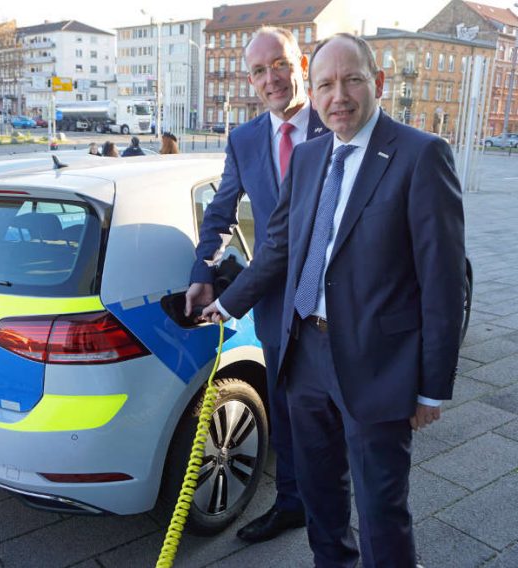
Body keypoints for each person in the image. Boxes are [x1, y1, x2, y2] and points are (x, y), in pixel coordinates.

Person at [202, 33, 465, 567]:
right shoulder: (309, 157)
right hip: (305, 359)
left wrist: (432, 388)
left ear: (379, 83)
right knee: (322, 500)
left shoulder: (420, 155)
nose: (337, 95)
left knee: (381, 509)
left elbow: (445, 282)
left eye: (352, 80)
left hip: (377, 365)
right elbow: (277, 248)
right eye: (326, 84)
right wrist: (228, 303)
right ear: (314, 91)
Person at [185, 26, 328, 544]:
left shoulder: (334, 125)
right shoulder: (245, 139)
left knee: (338, 413)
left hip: (335, 301)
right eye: (259, 70)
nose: (272, 79)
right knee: (286, 408)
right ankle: (291, 504)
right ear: (249, 79)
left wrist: (229, 300)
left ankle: (338, 513)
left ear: (302, 62)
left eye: (280, 64)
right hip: (274, 305)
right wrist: (203, 273)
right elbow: (221, 212)